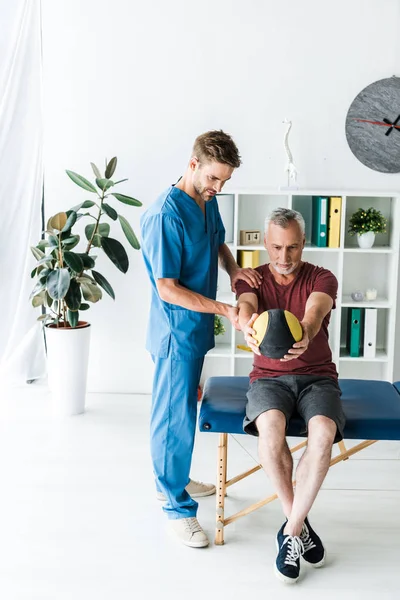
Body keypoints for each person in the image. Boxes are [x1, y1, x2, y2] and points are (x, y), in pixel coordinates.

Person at [140, 130, 262, 548]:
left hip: (195, 330)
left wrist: (233, 271)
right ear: (193, 165)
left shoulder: (206, 203)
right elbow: (167, 288)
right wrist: (226, 309)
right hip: (176, 332)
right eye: (214, 179)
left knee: (182, 408)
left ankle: (173, 479)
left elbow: (218, 243)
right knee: (173, 419)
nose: (219, 188)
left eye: (225, 182)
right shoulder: (164, 216)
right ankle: (175, 507)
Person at [235, 207, 346, 583]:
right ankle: (298, 527)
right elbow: (247, 306)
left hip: (317, 378)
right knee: (271, 429)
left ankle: (291, 530)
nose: (284, 258)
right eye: (277, 248)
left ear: (304, 244)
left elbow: (315, 311)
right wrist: (248, 323)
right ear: (266, 243)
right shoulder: (252, 278)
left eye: (293, 248)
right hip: (267, 378)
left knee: (323, 433)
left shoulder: (322, 276)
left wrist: (307, 333)